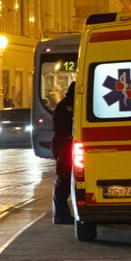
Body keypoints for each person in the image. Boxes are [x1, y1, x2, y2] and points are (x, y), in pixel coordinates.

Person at [51, 81, 76, 224]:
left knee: (64, 180)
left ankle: (62, 214)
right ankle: (61, 215)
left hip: (64, 147)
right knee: (63, 181)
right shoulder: (66, 106)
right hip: (64, 147)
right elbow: (68, 127)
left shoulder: (66, 105)